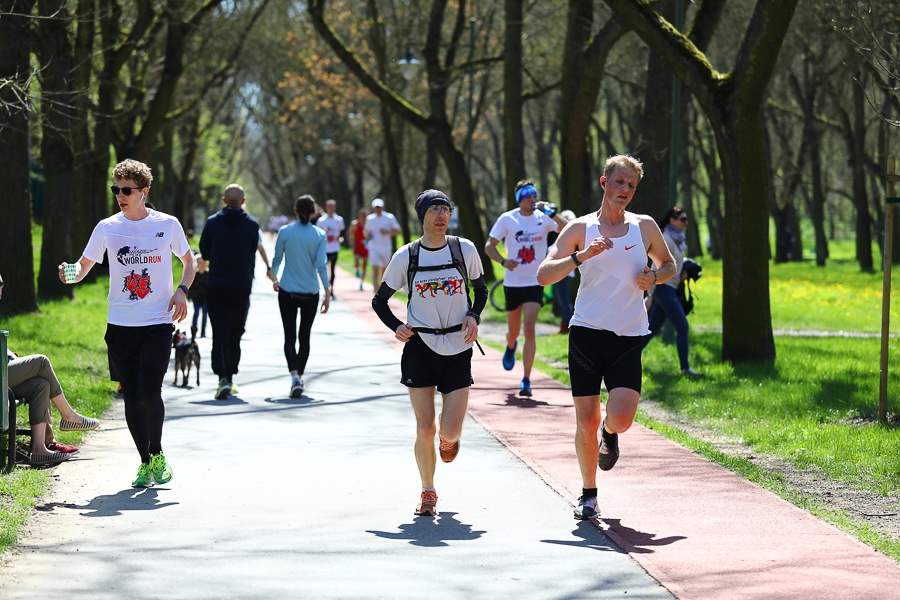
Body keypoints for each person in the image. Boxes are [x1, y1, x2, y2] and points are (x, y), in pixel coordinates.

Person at [536, 154, 676, 521]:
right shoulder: (580, 229)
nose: (625, 190)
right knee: (584, 419)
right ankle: (589, 495)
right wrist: (580, 257)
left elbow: (669, 264)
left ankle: (610, 433)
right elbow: (544, 275)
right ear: (604, 182)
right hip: (586, 333)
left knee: (623, 417)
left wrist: (655, 278)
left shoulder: (643, 227)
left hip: (628, 334)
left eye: (632, 185)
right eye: (619, 182)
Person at [59, 158, 196, 487]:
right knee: (131, 396)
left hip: (158, 324)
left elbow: (189, 262)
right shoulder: (107, 227)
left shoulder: (167, 225)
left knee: (151, 391)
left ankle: (158, 452)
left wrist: (181, 291)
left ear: (143, 192)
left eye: (126, 190)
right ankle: (144, 461)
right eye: (115, 189)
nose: (119, 195)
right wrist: (69, 274)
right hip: (120, 326)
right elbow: (83, 266)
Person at [371, 189, 487, 517]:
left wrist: (474, 315)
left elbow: (481, 290)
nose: (441, 216)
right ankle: (428, 491)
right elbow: (380, 300)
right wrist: (396, 326)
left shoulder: (463, 250)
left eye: (445, 210)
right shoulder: (406, 256)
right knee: (425, 428)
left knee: (448, 431)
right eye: (434, 210)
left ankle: (448, 439)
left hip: (458, 346)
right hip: (420, 347)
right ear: (422, 216)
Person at [2, 275, 99, 466]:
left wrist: (11, 357)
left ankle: (39, 449)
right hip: (1, 372)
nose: (0, 288)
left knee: (41, 385)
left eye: (1, 284)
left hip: (4, 368)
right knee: (41, 362)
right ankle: (69, 416)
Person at [485, 180, 567, 396]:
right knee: (514, 332)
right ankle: (511, 344)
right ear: (521, 198)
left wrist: (553, 214)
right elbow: (489, 246)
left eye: (535, 195)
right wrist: (503, 262)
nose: (534, 199)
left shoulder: (544, 217)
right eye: (529, 196)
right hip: (513, 283)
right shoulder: (508, 219)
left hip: (535, 281)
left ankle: (526, 380)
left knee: (529, 328)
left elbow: (569, 231)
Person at [199, 183, 270, 400]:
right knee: (236, 331)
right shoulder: (252, 226)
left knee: (219, 330)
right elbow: (252, 250)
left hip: (217, 283)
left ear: (223, 200)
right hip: (241, 284)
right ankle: (230, 376)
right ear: (243, 202)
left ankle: (221, 377)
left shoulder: (212, 223)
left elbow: (204, 251)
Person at [269, 195, 331, 398]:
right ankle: (300, 377)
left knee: (289, 336)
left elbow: (277, 258)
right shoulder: (319, 234)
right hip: (310, 293)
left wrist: (274, 276)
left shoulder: (285, 232)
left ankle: (294, 376)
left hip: (287, 290)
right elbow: (321, 265)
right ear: (314, 212)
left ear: (295, 211)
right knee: (304, 337)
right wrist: (327, 291)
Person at [642, 207, 702, 376]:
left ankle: (623, 361)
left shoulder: (678, 240)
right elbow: (655, 266)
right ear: (672, 220)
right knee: (682, 326)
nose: (686, 222)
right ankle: (685, 369)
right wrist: (650, 295)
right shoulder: (667, 239)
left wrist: (682, 275)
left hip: (671, 287)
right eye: (682, 219)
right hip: (663, 289)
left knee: (651, 330)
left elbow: (674, 264)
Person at [364, 198, 400, 293]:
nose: (377, 209)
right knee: (375, 269)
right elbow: (366, 231)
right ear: (373, 208)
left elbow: (397, 231)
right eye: (376, 207)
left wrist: (387, 232)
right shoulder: (370, 218)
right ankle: (376, 291)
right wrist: (368, 235)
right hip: (374, 247)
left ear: (382, 207)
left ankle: (381, 288)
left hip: (386, 247)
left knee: (384, 271)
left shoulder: (389, 217)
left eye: (379, 207)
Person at [551, 210, 577, 334]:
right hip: (562, 273)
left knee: (564, 300)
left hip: (563, 273)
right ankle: (565, 325)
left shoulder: (568, 239)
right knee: (563, 299)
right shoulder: (567, 238)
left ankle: (568, 326)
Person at [316, 199, 345, 299]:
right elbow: (316, 233)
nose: (330, 208)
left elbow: (342, 232)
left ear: (335, 207)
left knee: (332, 270)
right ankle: (325, 288)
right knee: (323, 270)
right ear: (326, 207)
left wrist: (341, 238)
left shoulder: (339, 220)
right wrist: (323, 232)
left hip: (334, 248)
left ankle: (331, 290)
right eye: (329, 206)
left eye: (332, 206)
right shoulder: (321, 220)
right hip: (324, 249)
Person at [188, 254, 209, 338]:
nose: (202, 265)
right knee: (196, 313)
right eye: (200, 263)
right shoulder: (195, 275)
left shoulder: (209, 274)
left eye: (204, 263)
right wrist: (189, 296)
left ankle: (203, 331)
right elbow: (191, 286)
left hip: (206, 299)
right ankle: (194, 330)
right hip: (196, 298)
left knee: (205, 315)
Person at [351, 208, 369, 291]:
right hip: (357, 246)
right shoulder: (355, 223)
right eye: (361, 215)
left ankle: (361, 283)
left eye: (364, 215)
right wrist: (351, 241)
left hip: (366, 247)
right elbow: (349, 233)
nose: (363, 216)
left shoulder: (369, 224)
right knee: (357, 261)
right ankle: (357, 269)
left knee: (365, 266)